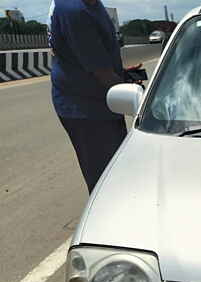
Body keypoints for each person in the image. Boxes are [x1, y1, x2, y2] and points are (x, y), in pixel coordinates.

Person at [48, 0, 138, 193]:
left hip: (102, 101)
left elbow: (95, 56)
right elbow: (101, 73)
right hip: (86, 109)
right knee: (106, 181)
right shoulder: (75, 10)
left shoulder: (92, 5)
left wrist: (120, 73)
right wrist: (145, 103)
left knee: (117, 170)